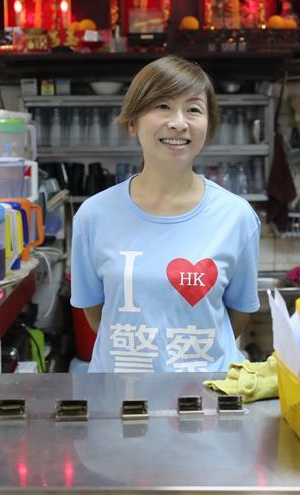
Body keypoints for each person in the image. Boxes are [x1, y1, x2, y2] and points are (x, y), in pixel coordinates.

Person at [71, 55, 261, 372]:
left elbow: (238, 314)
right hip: (121, 390)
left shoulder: (236, 216)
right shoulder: (93, 215)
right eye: (162, 106)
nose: (179, 122)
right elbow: (95, 312)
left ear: (208, 126)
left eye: (194, 109)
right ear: (132, 122)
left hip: (206, 391)